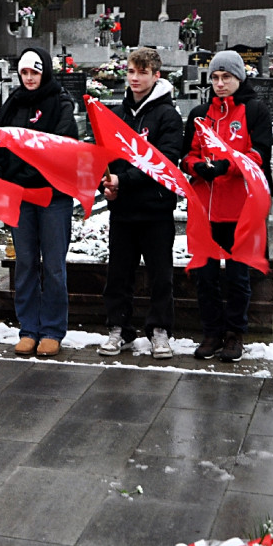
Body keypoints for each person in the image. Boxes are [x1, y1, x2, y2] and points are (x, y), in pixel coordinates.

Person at [182, 49, 272, 362]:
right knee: (204, 276)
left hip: (239, 209)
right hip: (205, 209)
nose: (220, 83)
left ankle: (234, 334)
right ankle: (211, 332)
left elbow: (259, 154)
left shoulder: (254, 110)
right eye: (216, 78)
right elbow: (188, 153)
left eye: (227, 77)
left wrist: (226, 167)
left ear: (238, 78)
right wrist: (196, 168)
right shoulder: (200, 112)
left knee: (237, 277)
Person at [98, 47, 183, 360]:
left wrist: (124, 181)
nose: (135, 78)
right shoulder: (118, 115)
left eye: (142, 72)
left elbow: (163, 161)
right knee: (118, 274)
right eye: (131, 72)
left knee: (160, 275)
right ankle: (119, 329)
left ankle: (160, 330)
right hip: (123, 211)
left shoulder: (168, 116)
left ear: (156, 75)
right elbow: (104, 158)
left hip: (156, 209)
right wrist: (104, 184)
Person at [0, 47, 78, 357]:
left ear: (45, 73)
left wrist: (27, 166)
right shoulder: (13, 102)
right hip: (22, 196)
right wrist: (7, 170)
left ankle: (53, 329)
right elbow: (0, 141)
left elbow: (62, 144)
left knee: (54, 265)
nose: (29, 78)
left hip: (53, 195)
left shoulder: (60, 102)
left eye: (35, 72)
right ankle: (28, 327)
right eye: (25, 73)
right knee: (27, 263)